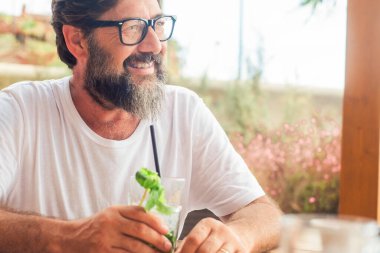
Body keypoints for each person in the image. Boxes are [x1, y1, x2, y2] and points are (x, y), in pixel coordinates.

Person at [0, 0, 282, 252]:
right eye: (132, 27)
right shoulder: (18, 111)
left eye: (158, 25)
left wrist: (237, 237)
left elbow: (265, 215)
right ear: (77, 41)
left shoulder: (184, 112)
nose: (155, 45)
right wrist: (71, 238)